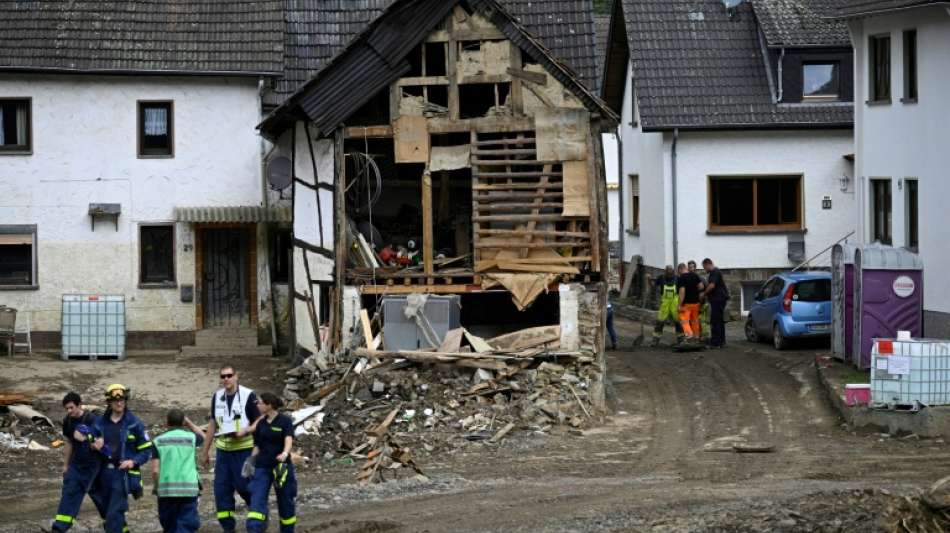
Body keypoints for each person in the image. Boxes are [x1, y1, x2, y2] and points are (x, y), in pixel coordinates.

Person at [200, 365, 261, 531]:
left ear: (236, 376)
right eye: (223, 376)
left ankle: (259, 517)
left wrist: (246, 431)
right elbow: (212, 424)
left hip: (244, 450)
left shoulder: (248, 395)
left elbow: (259, 421)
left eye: (229, 375)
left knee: (245, 487)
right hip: (223, 454)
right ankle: (228, 528)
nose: (226, 379)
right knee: (221, 492)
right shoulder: (217, 396)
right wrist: (204, 451)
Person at [91, 384, 153, 533]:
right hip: (102, 474)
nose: (119, 403)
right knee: (108, 513)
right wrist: (93, 445)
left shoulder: (134, 423)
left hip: (122, 474)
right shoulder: (99, 423)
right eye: (115, 401)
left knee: (114, 512)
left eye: (122, 400)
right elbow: (89, 443)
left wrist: (132, 461)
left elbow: (146, 450)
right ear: (109, 402)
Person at [50, 392, 105, 531]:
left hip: (94, 466)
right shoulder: (68, 421)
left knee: (101, 497)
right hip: (77, 465)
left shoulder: (92, 419)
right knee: (70, 492)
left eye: (71, 408)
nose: (69, 411)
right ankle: (59, 528)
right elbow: (69, 442)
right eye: (66, 409)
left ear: (79, 405)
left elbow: (102, 442)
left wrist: (90, 441)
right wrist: (65, 465)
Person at [244, 393, 297, 532]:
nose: (257, 405)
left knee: (286, 502)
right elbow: (257, 445)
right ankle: (255, 529)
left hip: (281, 467)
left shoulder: (285, 421)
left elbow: (288, 439)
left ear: (269, 405)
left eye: (260, 402)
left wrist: (285, 453)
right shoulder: (260, 423)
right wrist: (250, 461)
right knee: (257, 500)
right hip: (262, 467)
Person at [151, 409, 207, 533]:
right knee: (186, 525)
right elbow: (205, 437)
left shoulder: (158, 441)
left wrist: (156, 487)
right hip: (188, 490)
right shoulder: (191, 438)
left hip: (167, 491)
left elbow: (155, 471)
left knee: (169, 525)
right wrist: (190, 423)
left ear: (167, 423)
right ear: (183, 423)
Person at [702, 258, 730, 348]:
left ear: (708, 264)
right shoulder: (715, 272)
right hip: (719, 299)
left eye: (704, 267)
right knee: (720, 320)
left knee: (715, 321)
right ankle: (721, 341)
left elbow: (712, 285)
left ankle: (715, 343)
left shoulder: (714, 272)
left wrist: (704, 294)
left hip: (718, 299)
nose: (704, 269)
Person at [652, 265, 683, 346]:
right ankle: (655, 339)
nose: (669, 275)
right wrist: (648, 280)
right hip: (665, 302)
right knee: (660, 321)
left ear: (673, 272)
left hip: (675, 301)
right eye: (668, 273)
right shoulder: (661, 278)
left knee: (678, 320)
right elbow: (653, 286)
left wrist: (681, 303)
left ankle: (681, 339)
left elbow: (681, 291)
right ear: (665, 272)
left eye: (671, 273)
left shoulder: (677, 278)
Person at [676, 263, 703, 341]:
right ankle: (696, 336)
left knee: (684, 320)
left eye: (679, 271)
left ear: (681, 269)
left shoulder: (682, 277)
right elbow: (701, 286)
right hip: (696, 303)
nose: (679, 273)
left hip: (686, 304)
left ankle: (689, 336)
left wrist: (679, 304)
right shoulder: (695, 275)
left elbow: (682, 291)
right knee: (695, 320)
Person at [689, 260, 710, 341]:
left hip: (702, 303)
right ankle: (696, 335)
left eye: (692, 267)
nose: (691, 269)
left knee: (703, 321)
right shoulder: (687, 278)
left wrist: (704, 296)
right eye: (689, 267)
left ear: (695, 268)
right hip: (693, 303)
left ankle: (705, 337)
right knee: (694, 321)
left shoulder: (700, 278)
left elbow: (706, 288)